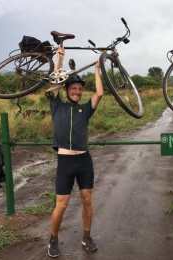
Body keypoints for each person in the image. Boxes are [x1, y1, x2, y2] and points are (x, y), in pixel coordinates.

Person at [45, 47, 104, 258]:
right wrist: (59, 57)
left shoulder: (85, 109)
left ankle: (87, 237)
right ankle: (53, 239)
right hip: (65, 162)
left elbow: (99, 93)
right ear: (67, 89)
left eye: (79, 89)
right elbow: (54, 82)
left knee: (87, 200)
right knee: (61, 204)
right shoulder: (56, 105)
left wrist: (98, 70)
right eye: (73, 88)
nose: (77, 92)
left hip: (84, 160)